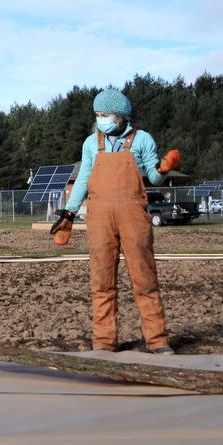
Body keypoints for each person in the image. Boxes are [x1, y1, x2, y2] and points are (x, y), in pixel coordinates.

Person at [50, 89, 181, 355]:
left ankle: (157, 340)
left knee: (144, 278)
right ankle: (104, 342)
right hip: (99, 217)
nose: (101, 120)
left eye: (105, 115)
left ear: (120, 117)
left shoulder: (142, 139)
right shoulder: (91, 143)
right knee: (101, 280)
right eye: (97, 115)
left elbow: (153, 179)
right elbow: (84, 178)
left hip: (134, 214)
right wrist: (68, 213)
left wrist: (163, 170)